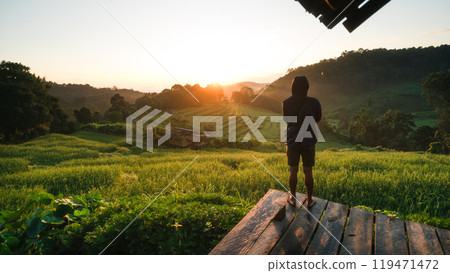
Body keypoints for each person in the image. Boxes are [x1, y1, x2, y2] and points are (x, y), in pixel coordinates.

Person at [282, 76, 322, 207]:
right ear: (307, 87)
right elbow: (317, 118)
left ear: (293, 87)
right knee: (308, 171)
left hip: (293, 140)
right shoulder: (314, 102)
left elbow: (287, 120)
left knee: (293, 170)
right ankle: (309, 200)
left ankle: (292, 198)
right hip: (308, 140)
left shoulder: (287, 102)